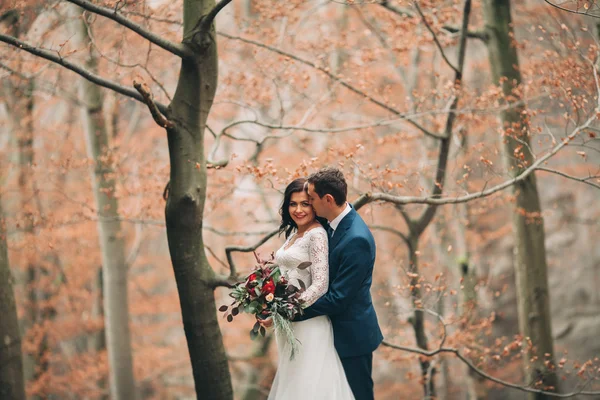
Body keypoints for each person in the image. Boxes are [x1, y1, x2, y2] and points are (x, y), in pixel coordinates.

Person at [296, 167, 383, 400]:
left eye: (311, 199)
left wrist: (290, 312)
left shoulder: (357, 239)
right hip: (327, 332)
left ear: (328, 199)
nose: (309, 205)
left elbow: (338, 299)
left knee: (358, 395)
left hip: (352, 337)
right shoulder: (328, 223)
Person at [267, 177, 355, 400]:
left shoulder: (317, 235)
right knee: (294, 383)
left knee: (308, 387)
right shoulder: (293, 234)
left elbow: (320, 285)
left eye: (305, 203)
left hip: (308, 323)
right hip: (290, 324)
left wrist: (285, 310)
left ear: (314, 205)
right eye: (293, 204)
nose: (298, 209)